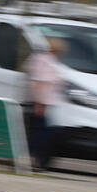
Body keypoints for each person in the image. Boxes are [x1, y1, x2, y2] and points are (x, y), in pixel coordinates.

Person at [25, 37, 68, 171]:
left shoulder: (50, 61)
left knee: (45, 132)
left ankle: (37, 159)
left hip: (50, 103)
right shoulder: (44, 60)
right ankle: (34, 159)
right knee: (41, 133)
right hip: (43, 103)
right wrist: (39, 103)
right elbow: (40, 83)